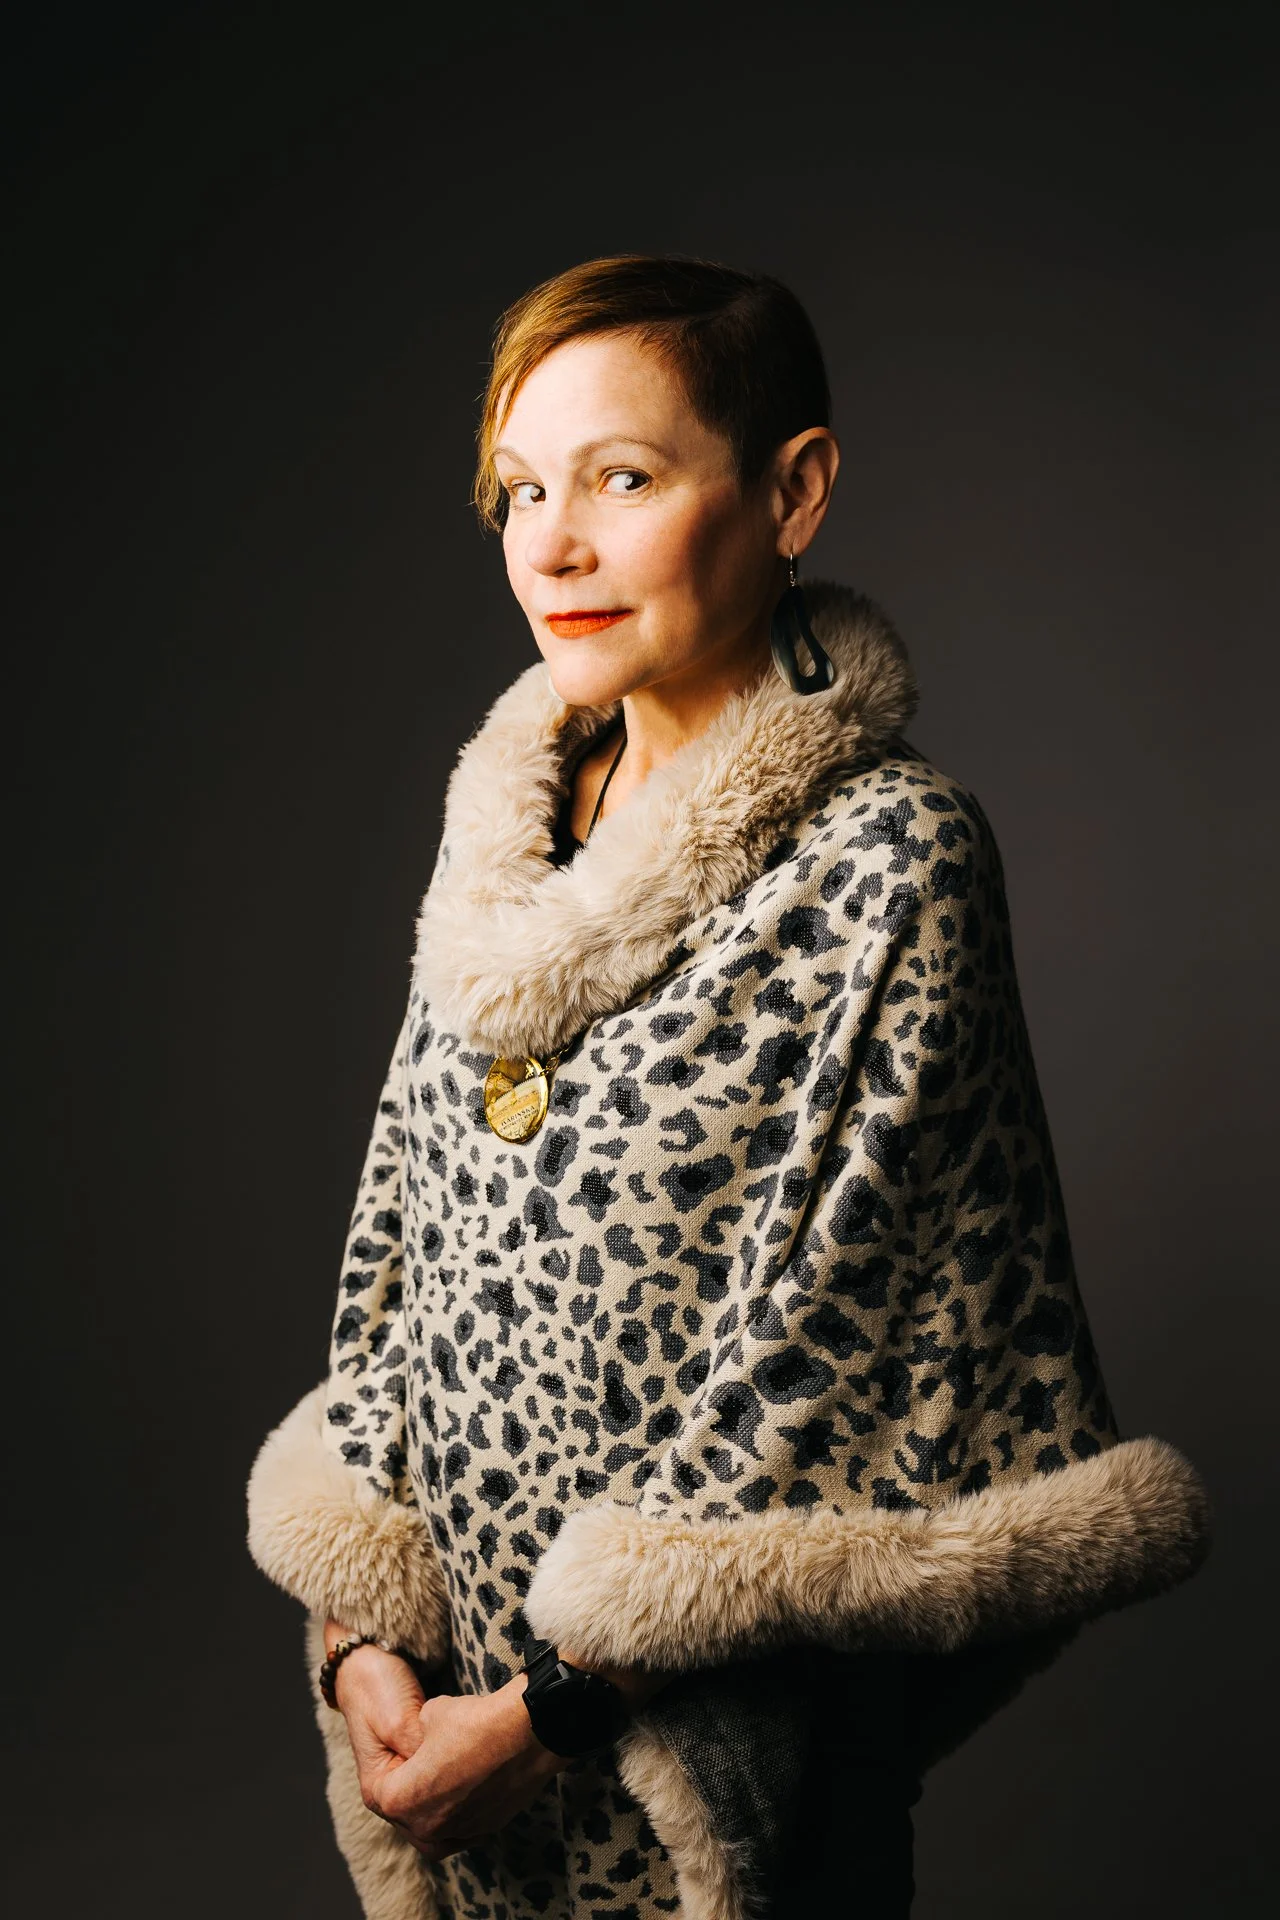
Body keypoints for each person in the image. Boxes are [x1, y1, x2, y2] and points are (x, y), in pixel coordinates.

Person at [247, 254, 1210, 1920]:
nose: (553, 544)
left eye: (622, 479)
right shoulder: (503, 840)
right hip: (452, 1741)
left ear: (792, 493)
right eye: (521, 490)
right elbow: (391, 1263)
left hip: (693, 1772)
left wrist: (548, 1716)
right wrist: (361, 1638)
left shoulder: (891, 863)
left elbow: (825, 1365)